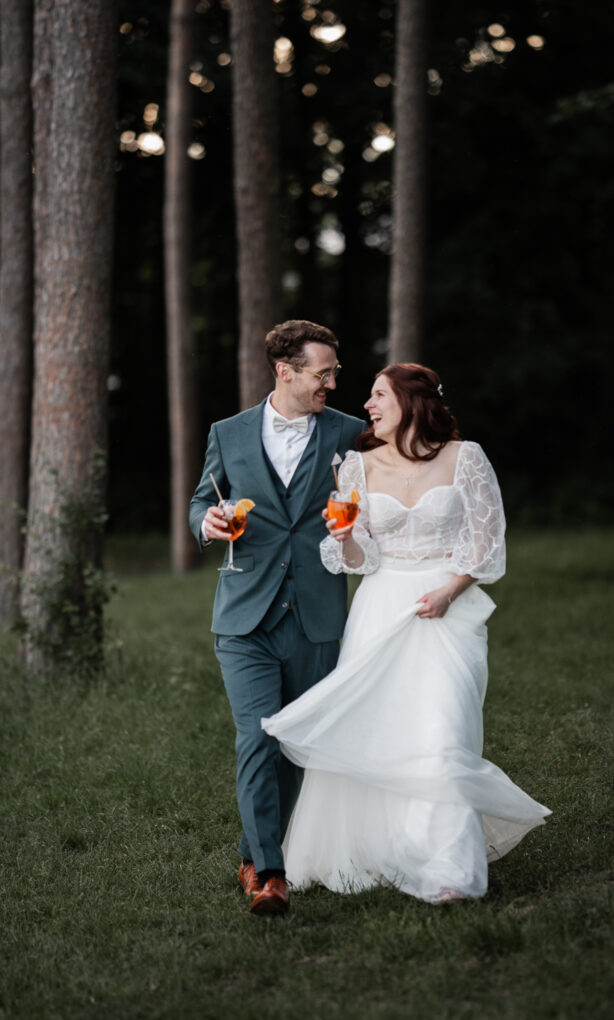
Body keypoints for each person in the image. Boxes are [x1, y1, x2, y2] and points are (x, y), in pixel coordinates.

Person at [262, 363, 551, 904]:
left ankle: (448, 870)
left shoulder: (466, 458)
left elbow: (487, 543)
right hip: (382, 605)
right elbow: (356, 557)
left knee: (442, 730)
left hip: (447, 610)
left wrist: (449, 590)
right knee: (380, 731)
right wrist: (344, 537)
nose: (366, 406)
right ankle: (377, 852)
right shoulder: (356, 467)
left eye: (377, 395)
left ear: (412, 400)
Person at [189, 320, 365, 915]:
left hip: (317, 613)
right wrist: (206, 522)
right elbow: (201, 499)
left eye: (334, 373)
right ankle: (269, 873)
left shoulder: (350, 433)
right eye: (324, 373)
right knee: (257, 737)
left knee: (297, 743)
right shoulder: (228, 432)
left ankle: (250, 851)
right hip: (244, 614)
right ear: (285, 371)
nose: (334, 384)